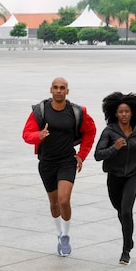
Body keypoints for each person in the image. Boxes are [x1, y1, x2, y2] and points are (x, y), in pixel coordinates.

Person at [22, 77, 96, 256]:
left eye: (62, 88)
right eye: (55, 87)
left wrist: (82, 155)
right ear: (50, 90)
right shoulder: (40, 111)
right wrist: (38, 135)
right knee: (54, 204)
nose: (58, 91)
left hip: (66, 161)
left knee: (64, 200)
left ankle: (66, 236)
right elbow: (26, 134)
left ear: (67, 91)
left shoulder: (76, 111)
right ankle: (59, 234)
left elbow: (90, 131)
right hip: (47, 162)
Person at [94, 92, 136, 265]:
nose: (124, 115)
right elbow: (98, 155)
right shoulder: (109, 131)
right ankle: (129, 237)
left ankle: (126, 249)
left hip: (132, 176)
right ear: (115, 113)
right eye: (120, 112)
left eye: (127, 111)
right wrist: (115, 147)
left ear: (133, 112)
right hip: (114, 177)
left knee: (126, 211)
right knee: (120, 211)